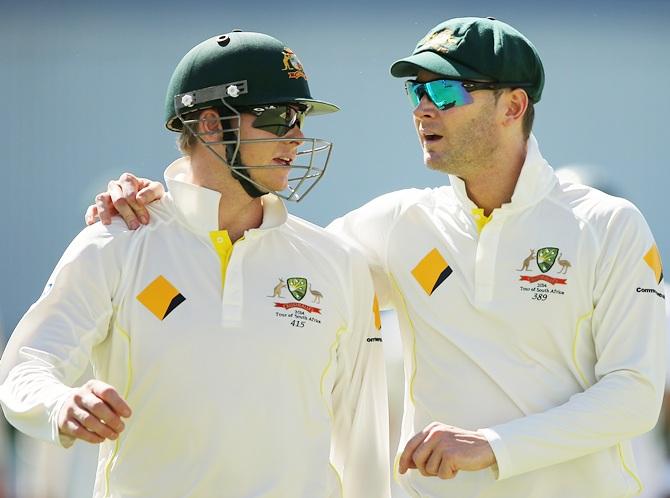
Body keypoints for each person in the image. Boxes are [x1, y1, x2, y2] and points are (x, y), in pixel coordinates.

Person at [88, 17, 666, 498]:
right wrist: (169, 201)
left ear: (513, 105)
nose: (422, 108)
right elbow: (258, 248)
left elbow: (635, 395)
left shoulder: (607, 224)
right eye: (414, 91)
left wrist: (490, 446)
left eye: (444, 91)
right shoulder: (397, 224)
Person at [0, 31, 391, 498]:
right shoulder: (116, 242)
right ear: (208, 124)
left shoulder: (337, 261)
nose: (297, 135)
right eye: (276, 116)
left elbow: (362, 441)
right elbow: (25, 366)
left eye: (299, 117)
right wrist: (61, 403)